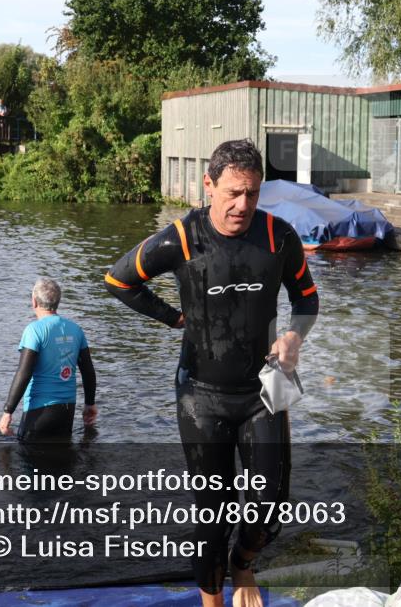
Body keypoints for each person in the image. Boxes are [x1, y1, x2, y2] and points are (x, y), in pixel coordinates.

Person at [105, 139, 319, 607]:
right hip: (201, 394)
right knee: (211, 512)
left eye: (253, 194)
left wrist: (294, 338)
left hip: (265, 389)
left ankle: (243, 564)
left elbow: (307, 298)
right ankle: (212, 600)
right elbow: (119, 279)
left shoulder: (278, 237)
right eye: (233, 193)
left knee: (271, 506)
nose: (243, 205)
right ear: (209, 185)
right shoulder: (183, 237)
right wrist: (172, 318)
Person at [0, 277, 97, 442]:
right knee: (61, 463)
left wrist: (8, 411)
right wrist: (89, 404)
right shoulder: (76, 330)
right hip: (66, 412)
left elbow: (24, 372)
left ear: (34, 302)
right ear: (58, 301)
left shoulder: (34, 330)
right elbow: (88, 371)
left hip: (39, 412)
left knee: (29, 461)